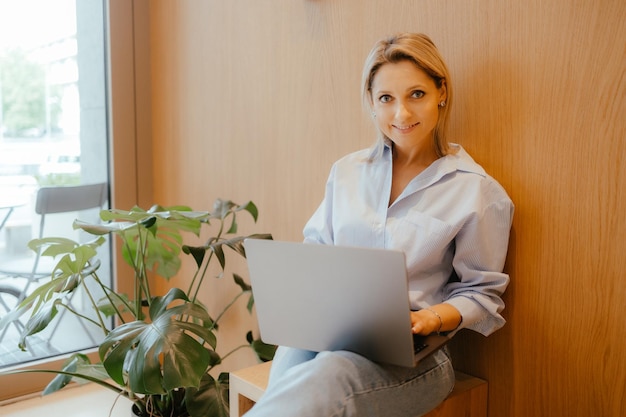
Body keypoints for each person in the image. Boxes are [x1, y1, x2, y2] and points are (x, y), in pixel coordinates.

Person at [245, 33, 514, 417]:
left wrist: (429, 317)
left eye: (416, 94)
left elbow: (483, 295)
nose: (401, 114)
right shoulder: (347, 172)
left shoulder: (475, 190)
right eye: (386, 98)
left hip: (417, 359)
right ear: (371, 101)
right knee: (297, 357)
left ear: (441, 92)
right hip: (331, 336)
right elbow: (316, 252)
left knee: (330, 373)